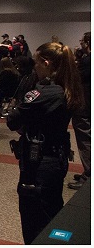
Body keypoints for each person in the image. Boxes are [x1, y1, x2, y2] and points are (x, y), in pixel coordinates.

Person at [7, 42, 84, 244]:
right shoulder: (67, 87)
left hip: (39, 163)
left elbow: (13, 119)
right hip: (56, 159)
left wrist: (25, 92)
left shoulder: (46, 93)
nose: (35, 68)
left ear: (46, 63)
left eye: (37, 64)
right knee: (52, 214)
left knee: (35, 222)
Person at [69, 32, 90, 190]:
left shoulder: (87, 61)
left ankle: (88, 175)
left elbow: (76, 79)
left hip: (85, 104)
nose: (80, 43)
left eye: (82, 41)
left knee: (85, 140)